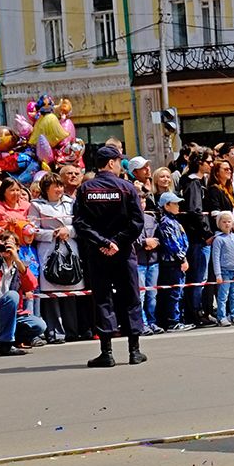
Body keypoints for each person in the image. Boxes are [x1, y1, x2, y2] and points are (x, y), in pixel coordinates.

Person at [73, 145, 147, 367]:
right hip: (123, 252)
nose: (120, 164)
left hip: (97, 253)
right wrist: (117, 242)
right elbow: (137, 222)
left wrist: (103, 242)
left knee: (103, 299)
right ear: (111, 163)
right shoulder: (127, 188)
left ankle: (107, 352)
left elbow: (80, 223)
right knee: (131, 297)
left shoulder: (85, 189)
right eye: (118, 160)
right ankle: (134, 351)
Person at [29, 172, 83, 343]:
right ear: (46, 188)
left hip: (70, 248)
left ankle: (72, 331)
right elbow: (33, 230)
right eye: (56, 186)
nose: (59, 189)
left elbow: (79, 225)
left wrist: (70, 231)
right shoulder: (36, 205)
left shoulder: (71, 202)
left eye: (61, 185)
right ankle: (55, 333)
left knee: (70, 291)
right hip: (49, 250)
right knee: (51, 294)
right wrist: (52, 233)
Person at [179, 150, 214, 326]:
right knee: (198, 278)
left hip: (198, 237)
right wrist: (207, 233)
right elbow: (195, 211)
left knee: (201, 277)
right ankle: (195, 313)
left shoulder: (199, 182)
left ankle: (199, 311)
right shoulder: (193, 183)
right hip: (198, 239)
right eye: (209, 161)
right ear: (200, 163)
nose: (211, 164)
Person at [154, 192, 192, 333]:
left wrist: (184, 256)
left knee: (178, 292)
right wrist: (181, 258)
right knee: (173, 293)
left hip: (179, 261)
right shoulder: (165, 223)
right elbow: (171, 244)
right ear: (167, 205)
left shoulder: (175, 222)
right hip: (171, 263)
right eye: (175, 203)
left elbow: (184, 240)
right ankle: (172, 321)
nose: (177, 206)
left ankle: (177, 319)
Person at [134, 192, 164, 335]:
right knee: (141, 295)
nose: (142, 203)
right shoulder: (129, 219)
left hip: (153, 261)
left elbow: (160, 236)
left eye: (144, 201)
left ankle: (152, 322)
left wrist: (155, 243)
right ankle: (142, 323)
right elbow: (129, 240)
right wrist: (144, 242)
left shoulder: (151, 219)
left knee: (152, 294)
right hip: (138, 261)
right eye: (139, 200)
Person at [211, 211, 234, 326]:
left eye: (229, 221)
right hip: (225, 271)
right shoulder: (218, 239)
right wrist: (218, 274)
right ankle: (221, 316)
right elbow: (215, 257)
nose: (227, 224)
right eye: (224, 222)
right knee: (223, 295)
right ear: (219, 224)